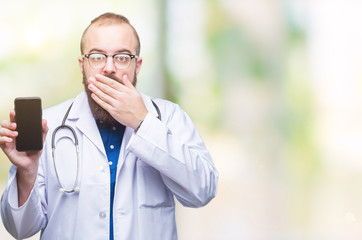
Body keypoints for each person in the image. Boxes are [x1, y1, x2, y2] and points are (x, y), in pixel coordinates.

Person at [0, 12, 218, 240]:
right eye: (97, 57)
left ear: (138, 66)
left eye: (122, 57)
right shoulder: (49, 125)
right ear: (82, 65)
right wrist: (26, 172)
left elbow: (202, 190)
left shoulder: (168, 117)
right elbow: (19, 229)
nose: (109, 67)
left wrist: (143, 123)